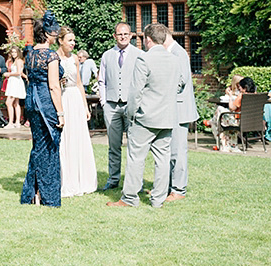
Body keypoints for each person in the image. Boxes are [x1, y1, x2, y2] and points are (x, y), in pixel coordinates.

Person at [107, 24, 183, 209]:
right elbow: (180, 85)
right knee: (162, 160)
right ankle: (158, 200)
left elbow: (134, 93)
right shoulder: (175, 59)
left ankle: (130, 198)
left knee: (136, 158)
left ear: (148, 39)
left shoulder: (144, 59)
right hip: (167, 118)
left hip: (145, 118)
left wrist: (131, 115)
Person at [21, 11, 64, 207]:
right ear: (46, 34)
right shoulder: (51, 55)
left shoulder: (30, 55)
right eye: (53, 32)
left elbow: (29, 78)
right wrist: (61, 113)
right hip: (46, 104)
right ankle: (48, 196)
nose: (56, 35)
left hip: (30, 101)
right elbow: (54, 86)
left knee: (38, 146)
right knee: (50, 147)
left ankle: (33, 193)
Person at [97, 22, 145, 190]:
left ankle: (134, 182)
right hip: (111, 106)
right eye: (120, 34)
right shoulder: (107, 55)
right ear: (114, 36)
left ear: (131, 35)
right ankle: (113, 179)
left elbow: (144, 82)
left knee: (135, 145)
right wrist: (103, 102)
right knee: (113, 145)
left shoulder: (140, 55)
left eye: (126, 34)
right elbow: (101, 80)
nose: (123, 37)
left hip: (131, 106)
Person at [57, 27, 97, 198]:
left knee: (79, 137)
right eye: (70, 40)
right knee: (65, 138)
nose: (73, 44)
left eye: (74, 40)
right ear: (60, 41)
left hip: (75, 98)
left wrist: (85, 105)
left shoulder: (75, 59)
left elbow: (80, 83)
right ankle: (66, 179)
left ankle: (82, 179)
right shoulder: (54, 58)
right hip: (62, 98)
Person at [161, 25, 198, 201]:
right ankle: (168, 187)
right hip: (171, 109)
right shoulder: (171, 52)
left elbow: (181, 80)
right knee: (168, 150)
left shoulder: (179, 53)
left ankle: (178, 190)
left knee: (178, 151)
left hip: (180, 110)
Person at [221, 77, 256, 153]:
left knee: (221, 112)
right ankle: (231, 145)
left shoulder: (242, 96)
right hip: (253, 121)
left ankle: (226, 145)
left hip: (239, 121)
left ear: (245, 88)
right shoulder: (256, 95)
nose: (239, 88)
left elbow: (231, 108)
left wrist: (230, 97)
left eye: (240, 87)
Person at [213, 75, 242, 151]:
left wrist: (230, 96)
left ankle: (222, 144)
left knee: (219, 111)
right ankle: (229, 145)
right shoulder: (247, 92)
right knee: (221, 113)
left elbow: (232, 108)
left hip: (236, 119)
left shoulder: (241, 94)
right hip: (243, 119)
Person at [3, 45, 26, 128]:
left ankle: (11, 122)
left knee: (8, 102)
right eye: (12, 52)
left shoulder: (19, 61)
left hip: (15, 82)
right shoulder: (14, 61)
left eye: (15, 52)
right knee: (16, 103)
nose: (13, 54)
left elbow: (19, 72)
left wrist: (9, 74)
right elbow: (21, 73)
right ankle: (17, 122)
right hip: (14, 81)